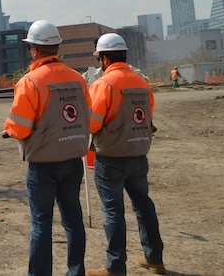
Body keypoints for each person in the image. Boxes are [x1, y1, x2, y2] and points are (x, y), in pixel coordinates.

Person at [4, 20, 91, 276]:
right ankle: (76, 272)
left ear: (33, 49)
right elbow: (88, 114)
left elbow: (19, 126)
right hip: (73, 159)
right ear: (57, 48)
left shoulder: (30, 82)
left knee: (41, 223)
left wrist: (9, 128)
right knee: (73, 219)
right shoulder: (78, 79)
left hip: (43, 165)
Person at [86, 34, 165, 276]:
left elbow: (92, 123)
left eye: (99, 58)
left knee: (113, 211)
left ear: (105, 58)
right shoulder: (142, 83)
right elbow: (147, 117)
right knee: (144, 206)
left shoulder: (104, 84)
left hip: (110, 157)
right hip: (139, 155)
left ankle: (115, 266)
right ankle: (155, 259)